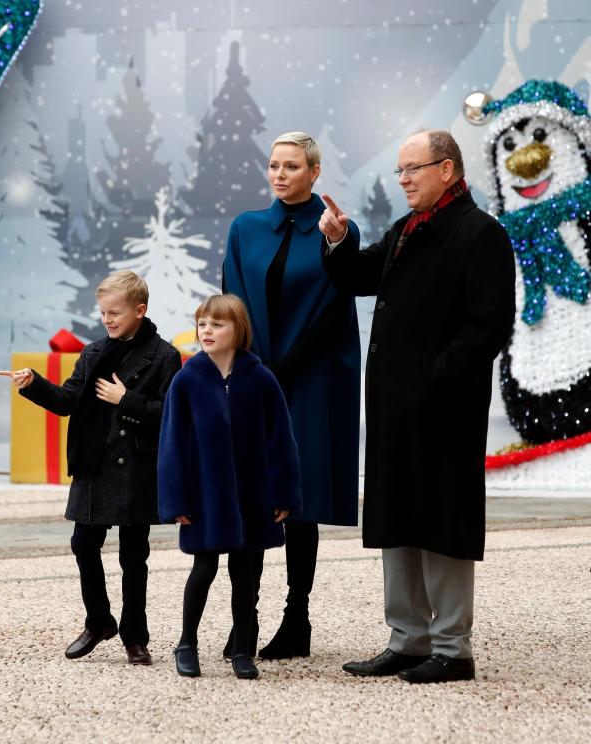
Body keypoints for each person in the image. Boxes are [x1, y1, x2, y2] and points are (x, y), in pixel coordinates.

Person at [319, 129, 515, 683]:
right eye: (399, 170)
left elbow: (487, 327)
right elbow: (358, 275)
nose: (403, 179)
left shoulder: (480, 234)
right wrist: (336, 241)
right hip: (394, 406)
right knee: (398, 515)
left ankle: (453, 649)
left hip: (443, 407)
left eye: (413, 169)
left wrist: (436, 376)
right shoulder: (407, 229)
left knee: (441, 518)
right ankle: (407, 639)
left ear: (447, 170)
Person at [222, 131, 361, 659]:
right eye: (275, 165)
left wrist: (285, 369)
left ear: (315, 173)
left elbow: (333, 309)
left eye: (293, 166)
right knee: (252, 495)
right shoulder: (245, 229)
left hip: (312, 378)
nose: (281, 174)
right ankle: (245, 619)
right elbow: (231, 302)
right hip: (257, 376)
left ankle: (296, 618)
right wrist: (252, 368)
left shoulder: (332, 230)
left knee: (297, 500)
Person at [0, 270, 181, 666]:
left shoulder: (164, 356)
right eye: (103, 313)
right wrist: (33, 383)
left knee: (134, 557)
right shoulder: (94, 352)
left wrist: (125, 399)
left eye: (115, 312)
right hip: (94, 464)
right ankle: (99, 621)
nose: (108, 320)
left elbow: (172, 415)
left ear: (140, 310)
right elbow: (68, 400)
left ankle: (135, 637)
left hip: (135, 467)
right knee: (83, 543)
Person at [157, 294, 301, 680]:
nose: (207, 330)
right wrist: (176, 500)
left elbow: (281, 440)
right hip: (205, 497)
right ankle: (186, 642)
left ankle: (242, 649)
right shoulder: (186, 381)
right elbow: (173, 444)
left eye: (217, 324)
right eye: (203, 323)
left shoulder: (261, 379)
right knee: (203, 568)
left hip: (253, 496)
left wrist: (284, 493)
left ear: (239, 332)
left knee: (244, 572)